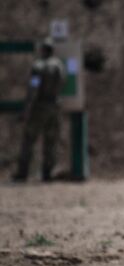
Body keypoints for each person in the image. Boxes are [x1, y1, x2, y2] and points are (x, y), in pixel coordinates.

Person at [12, 37, 65, 182]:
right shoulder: (59, 66)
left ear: (43, 50)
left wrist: (26, 109)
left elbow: (33, 88)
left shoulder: (38, 66)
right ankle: (47, 173)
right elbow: (62, 84)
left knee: (29, 139)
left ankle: (23, 172)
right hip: (54, 106)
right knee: (51, 140)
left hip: (39, 106)